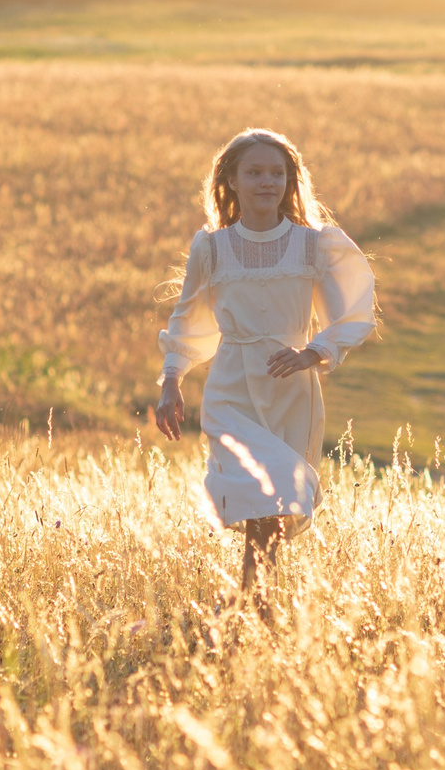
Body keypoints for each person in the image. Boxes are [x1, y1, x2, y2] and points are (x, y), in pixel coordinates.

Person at [153, 128, 377, 611]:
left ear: (291, 181)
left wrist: (312, 353)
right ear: (230, 180)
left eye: (277, 173)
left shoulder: (312, 245)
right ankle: (257, 603)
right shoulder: (211, 248)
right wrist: (171, 382)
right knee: (263, 500)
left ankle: (253, 601)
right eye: (254, 172)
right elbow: (187, 320)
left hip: (291, 387)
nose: (266, 182)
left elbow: (355, 313)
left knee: (274, 504)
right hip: (231, 387)